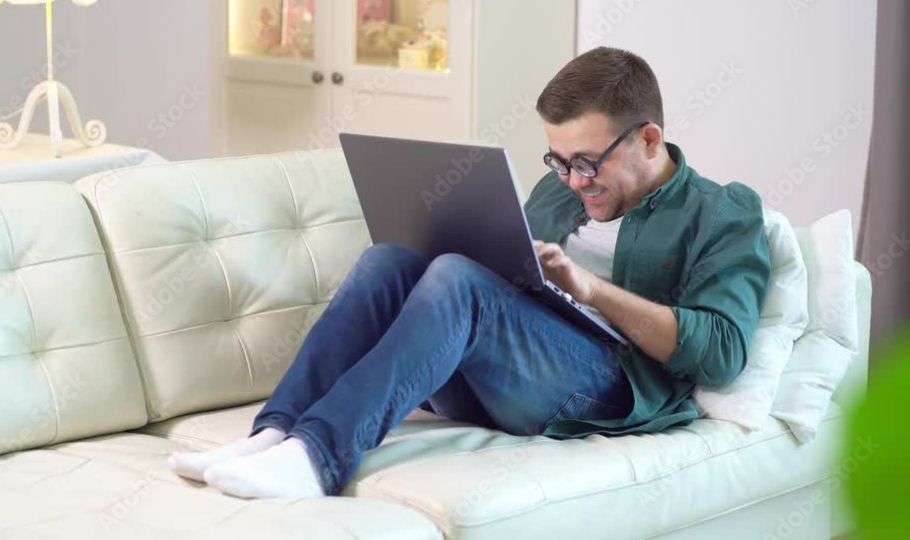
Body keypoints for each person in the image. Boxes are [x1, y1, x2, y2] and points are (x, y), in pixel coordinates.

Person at [167, 46, 772, 499]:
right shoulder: (559, 191)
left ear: (649, 139)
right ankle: (274, 433)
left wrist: (590, 289)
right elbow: (506, 283)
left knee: (458, 280)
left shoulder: (723, 211)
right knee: (390, 261)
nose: (573, 181)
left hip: (608, 391)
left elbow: (721, 352)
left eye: (587, 163)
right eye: (559, 161)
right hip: (503, 375)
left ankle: (317, 458)